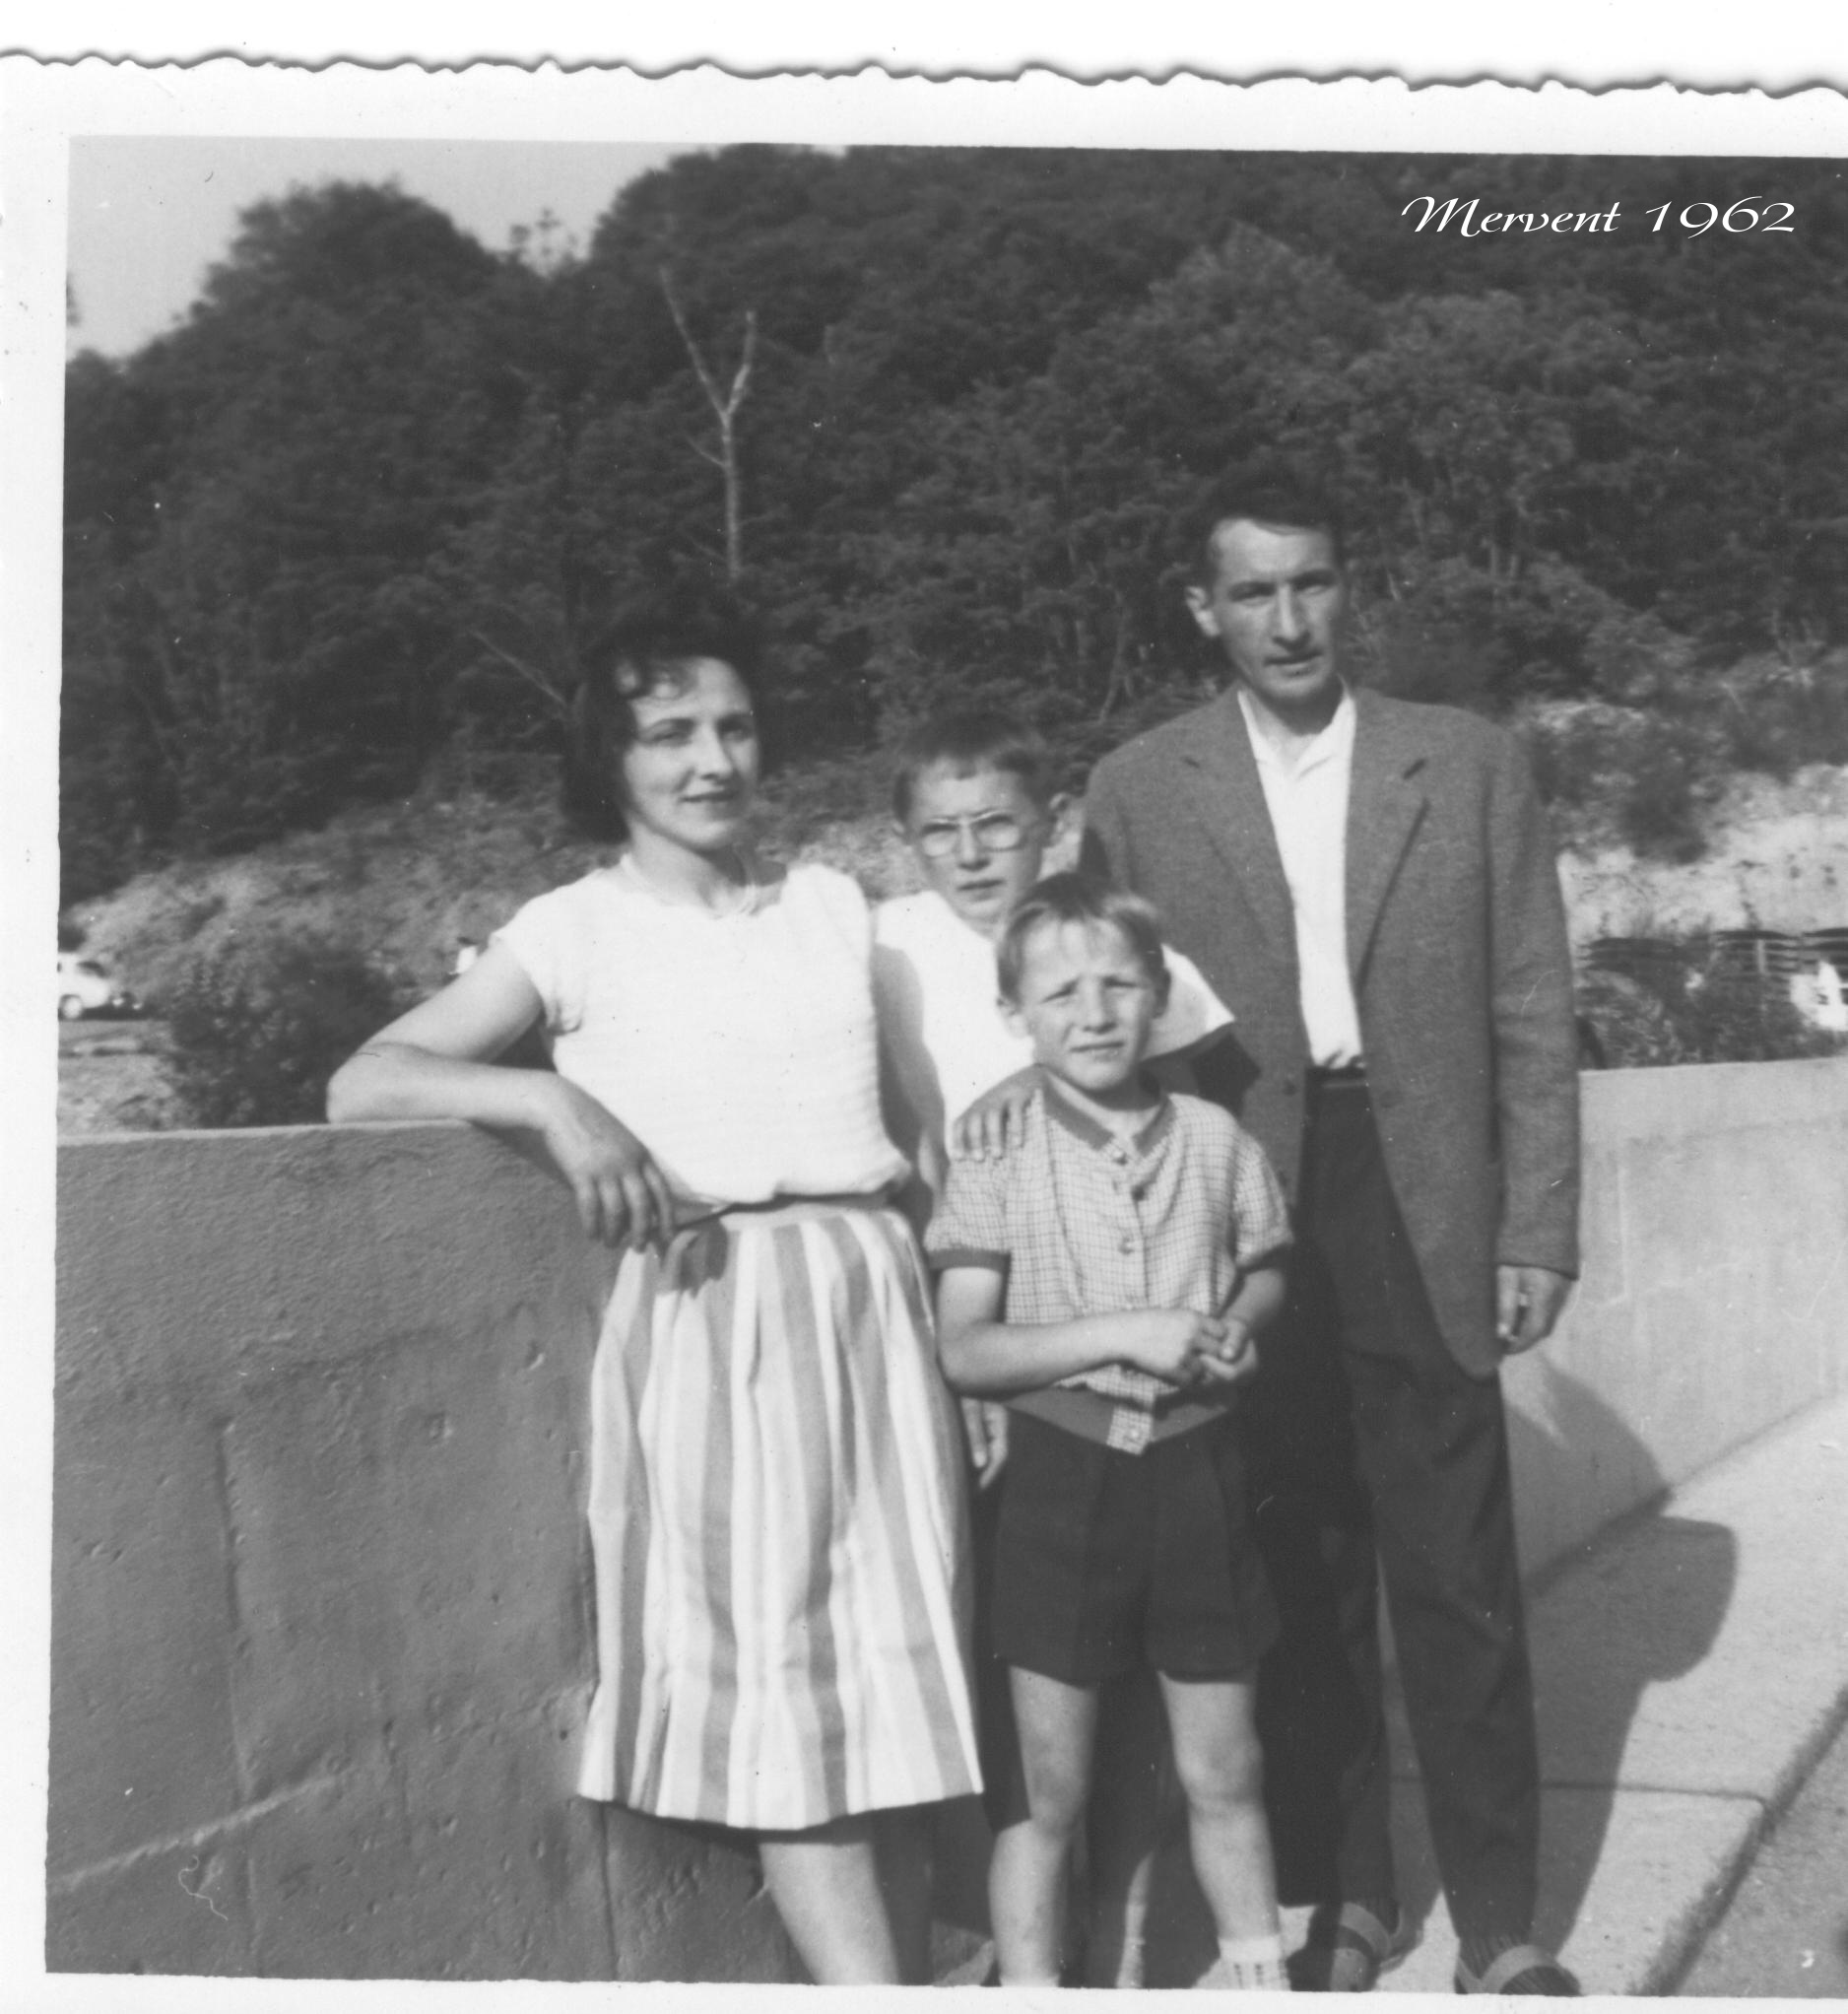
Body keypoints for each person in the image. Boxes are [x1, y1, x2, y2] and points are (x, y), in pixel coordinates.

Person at [326, 598, 981, 1985]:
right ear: (608, 759)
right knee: (785, 1705)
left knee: (901, 1690)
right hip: (716, 1320)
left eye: (734, 727)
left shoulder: (831, 907)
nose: (711, 759)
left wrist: (960, 1344)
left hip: (875, 1308)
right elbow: (363, 1082)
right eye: (671, 732)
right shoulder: (572, 930)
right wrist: (552, 1105)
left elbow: (919, 1142)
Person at [1081, 472, 1583, 1996]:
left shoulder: (1468, 763)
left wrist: (1535, 1226)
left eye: (1312, 584)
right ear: (1204, 609)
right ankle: (1348, 1896)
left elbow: (1531, 1009)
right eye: (1254, 592)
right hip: (1244, 1200)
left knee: (1457, 1569)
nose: (1288, 620)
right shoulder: (1139, 786)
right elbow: (1100, 1025)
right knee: (1295, 1563)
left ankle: (1499, 1925)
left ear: (1348, 589)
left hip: (1422, 1189)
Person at [874, 709, 1234, 1986]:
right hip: (982, 1336)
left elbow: (1194, 1121)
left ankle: (1117, 1933)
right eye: (942, 831)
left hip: (1136, 1367)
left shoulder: (1105, 939)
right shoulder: (888, 949)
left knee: (1134, 1673)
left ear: (1051, 825)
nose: (973, 854)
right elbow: (895, 1143)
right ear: (905, 840)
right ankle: (1014, 1941)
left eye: (999, 825)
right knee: (1020, 1670)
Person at [928, 872, 1294, 1992]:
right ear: (1014, 1015)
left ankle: (1259, 1975)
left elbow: (1268, 1267)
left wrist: (1238, 1329)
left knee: (1223, 1769)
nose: (1092, 1014)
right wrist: (1125, 1332)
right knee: (1048, 1790)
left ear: (1160, 994)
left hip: (1198, 1473)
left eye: (1119, 985)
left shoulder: (1215, 1138)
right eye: (1059, 994)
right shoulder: (994, 1154)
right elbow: (965, 1348)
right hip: (1060, 1480)